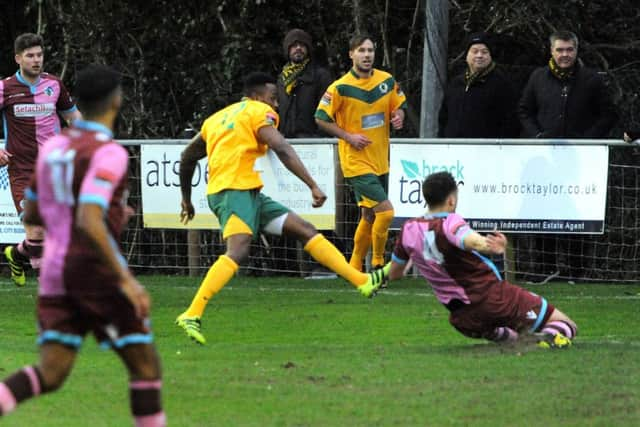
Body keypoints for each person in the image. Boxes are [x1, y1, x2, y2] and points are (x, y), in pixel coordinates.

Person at [0, 65, 165, 425]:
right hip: (95, 274)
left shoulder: (56, 146)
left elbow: (32, 210)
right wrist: (126, 280)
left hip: (56, 273)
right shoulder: (109, 152)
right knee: (146, 366)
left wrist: (106, 210)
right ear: (116, 100)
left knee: (52, 372)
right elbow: (89, 219)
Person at [175, 72, 388, 345]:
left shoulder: (216, 118)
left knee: (305, 230)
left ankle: (361, 281)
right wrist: (312, 184)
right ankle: (192, 313)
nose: (276, 105)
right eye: (273, 98)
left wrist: (186, 199)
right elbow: (282, 147)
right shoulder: (259, 112)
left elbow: (187, 157)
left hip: (244, 192)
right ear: (257, 96)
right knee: (238, 249)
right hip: (234, 192)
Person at [385, 171, 578, 348]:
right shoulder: (450, 221)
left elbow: (394, 274)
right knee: (567, 324)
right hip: (492, 298)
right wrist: (490, 246)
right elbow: (468, 238)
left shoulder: (408, 230)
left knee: (511, 335)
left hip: (463, 320)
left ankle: (519, 341)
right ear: (451, 200)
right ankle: (544, 342)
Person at [315, 34, 406, 271]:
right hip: (355, 161)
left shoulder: (386, 81)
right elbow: (320, 118)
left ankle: (354, 266)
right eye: (361, 51)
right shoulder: (340, 87)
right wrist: (348, 136)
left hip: (380, 160)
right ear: (351, 54)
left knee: (368, 215)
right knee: (385, 213)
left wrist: (398, 118)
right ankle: (377, 263)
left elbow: (398, 106)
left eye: (370, 51)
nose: (367, 55)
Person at [0, 33, 82, 287]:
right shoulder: (5, 88)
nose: (36, 60)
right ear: (18, 58)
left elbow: (73, 117)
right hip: (22, 169)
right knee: (36, 229)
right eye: (30, 56)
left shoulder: (54, 85)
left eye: (39, 55)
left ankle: (16, 253)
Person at [518, 30, 617, 138]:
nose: (565, 54)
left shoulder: (592, 79)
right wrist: (537, 135)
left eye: (569, 50)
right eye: (559, 50)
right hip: (545, 149)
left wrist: (587, 139)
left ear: (576, 50)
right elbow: (525, 111)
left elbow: (608, 115)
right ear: (552, 51)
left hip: (583, 150)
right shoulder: (538, 77)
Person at [438, 32, 519, 138]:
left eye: (484, 52)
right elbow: (443, 118)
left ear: (490, 56)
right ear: (467, 56)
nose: (479, 55)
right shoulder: (455, 84)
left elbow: (511, 122)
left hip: (487, 150)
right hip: (453, 148)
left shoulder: (502, 84)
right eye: (474, 51)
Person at [277, 29, 332, 138]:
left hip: (314, 140)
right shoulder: (282, 78)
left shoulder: (321, 75)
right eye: (294, 45)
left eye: (302, 45)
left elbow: (328, 110)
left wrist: (320, 136)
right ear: (287, 50)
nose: (298, 48)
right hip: (286, 141)